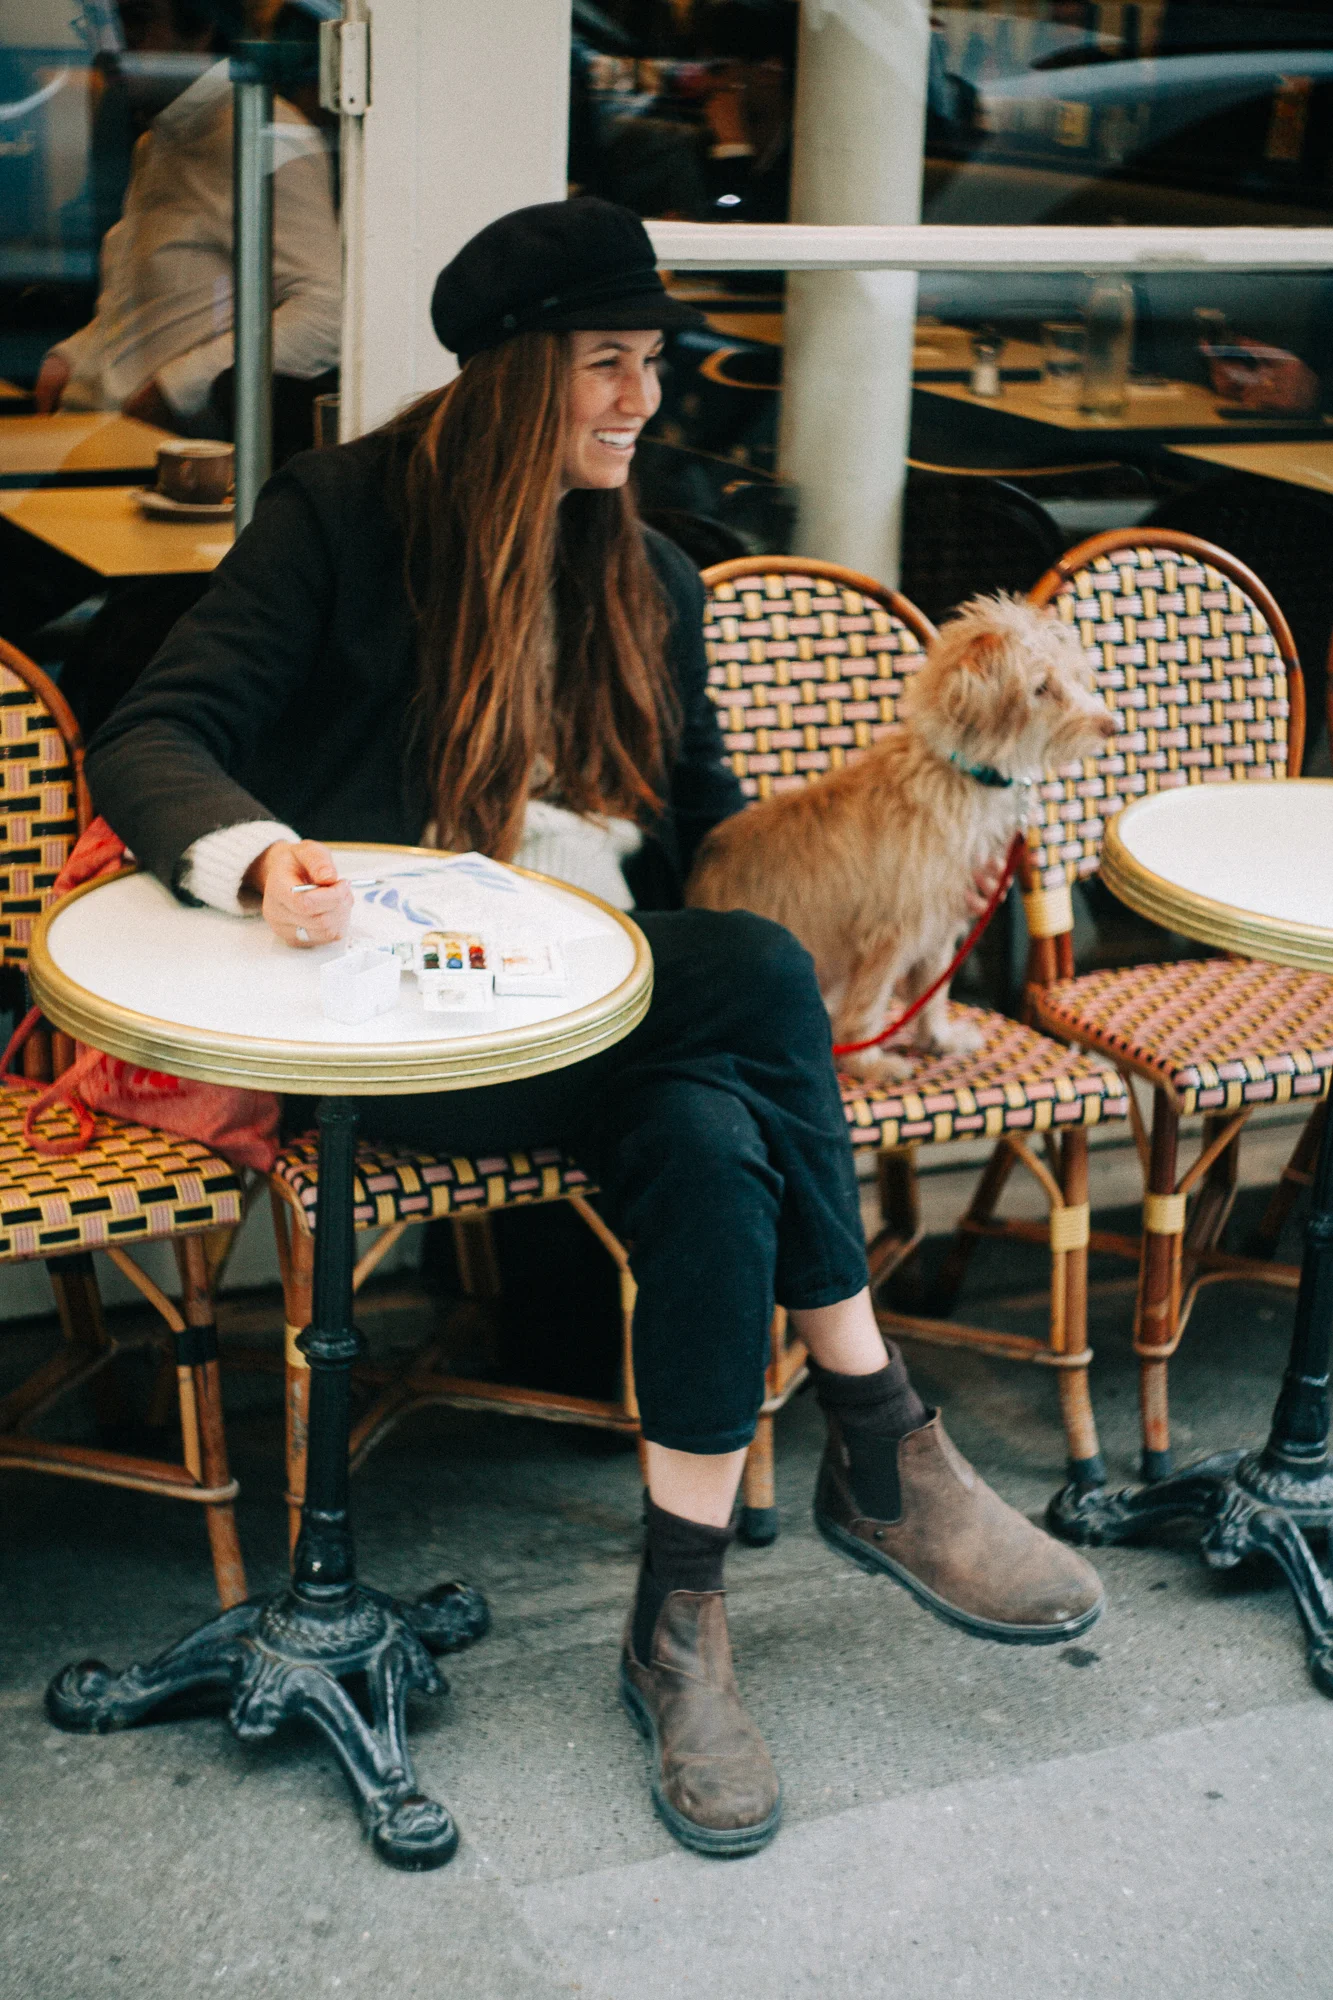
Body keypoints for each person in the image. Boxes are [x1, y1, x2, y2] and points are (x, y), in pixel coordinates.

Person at [86, 197, 1104, 1860]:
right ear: (510, 377)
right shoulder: (341, 517)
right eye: (607, 365)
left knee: (715, 1134)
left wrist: (897, 825)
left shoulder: (651, 579)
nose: (645, 397)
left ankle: (679, 1626)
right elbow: (155, 735)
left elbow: (707, 851)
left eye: (652, 362)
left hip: (608, 1025)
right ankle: (876, 1434)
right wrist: (265, 859)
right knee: (755, 986)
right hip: (398, 1039)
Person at [34, 0, 339, 439]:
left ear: (200, 30)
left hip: (155, 452)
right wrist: (70, 356)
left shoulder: (267, 136)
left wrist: (178, 391)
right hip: (93, 429)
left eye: (134, 25)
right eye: (102, 27)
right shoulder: (157, 141)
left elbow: (325, 314)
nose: (109, 48)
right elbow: (146, 311)